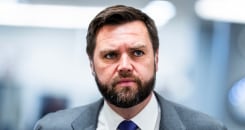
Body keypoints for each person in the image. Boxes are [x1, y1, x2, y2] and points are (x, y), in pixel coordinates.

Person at [34, 5, 227, 130]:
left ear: (156, 59)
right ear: (92, 64)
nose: (125, 66)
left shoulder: (209, 129)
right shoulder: (51, 128)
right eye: (110, 55)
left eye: (137, 53)